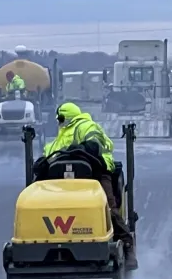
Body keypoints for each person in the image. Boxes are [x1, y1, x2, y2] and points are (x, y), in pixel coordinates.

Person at [42, 102, 138, 269]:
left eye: (59, 119)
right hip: (65, 177)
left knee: (107, 206)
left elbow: (95, 143)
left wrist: (82, 147)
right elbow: (49, 154)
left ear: (65, 118)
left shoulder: (86, 125)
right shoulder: (60, 136)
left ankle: (127, 246)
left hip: (97, 170)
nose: (58, 122)